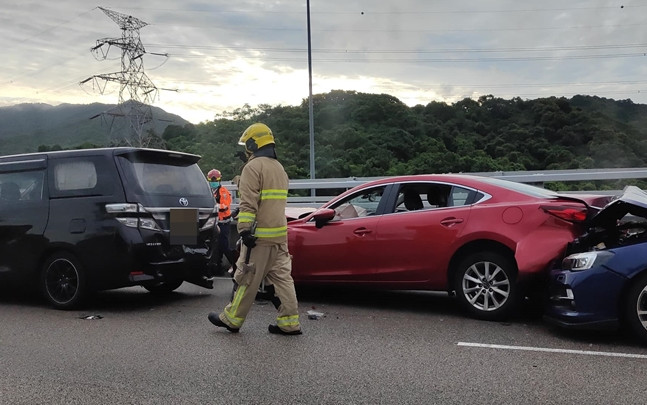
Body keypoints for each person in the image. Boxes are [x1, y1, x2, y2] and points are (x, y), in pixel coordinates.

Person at [208, 123, 302, 335]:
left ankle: (231, 318)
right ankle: (289, 322)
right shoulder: (279, 168)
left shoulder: (252, 168)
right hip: (279, 234)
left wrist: (244, 230)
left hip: (258, 236)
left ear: (253, 143)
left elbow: (249, 203)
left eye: (248, 145)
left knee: (246, 277)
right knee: (283, 278)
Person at [206, 168, 236, 276]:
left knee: (224, 245)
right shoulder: (209, 191)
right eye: (212, 180)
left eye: (215, 180)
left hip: (223, 222)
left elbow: (224, 206)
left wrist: (214, 207)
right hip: (214, 222)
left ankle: (235, 264)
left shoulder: (223, 192)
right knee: (216, 246)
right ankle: (217, 267)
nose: (213, 182)